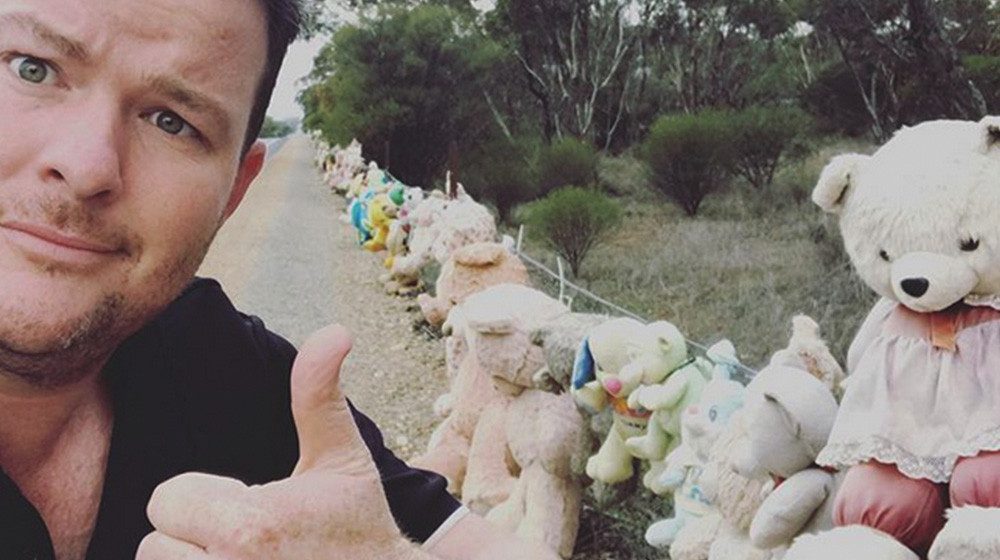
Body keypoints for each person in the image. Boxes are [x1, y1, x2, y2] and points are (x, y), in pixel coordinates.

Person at [0, 0, 559, 558]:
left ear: (234, 193)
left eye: (173, 122)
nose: (87, 167)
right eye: (32, 68)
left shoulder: (223, 365)